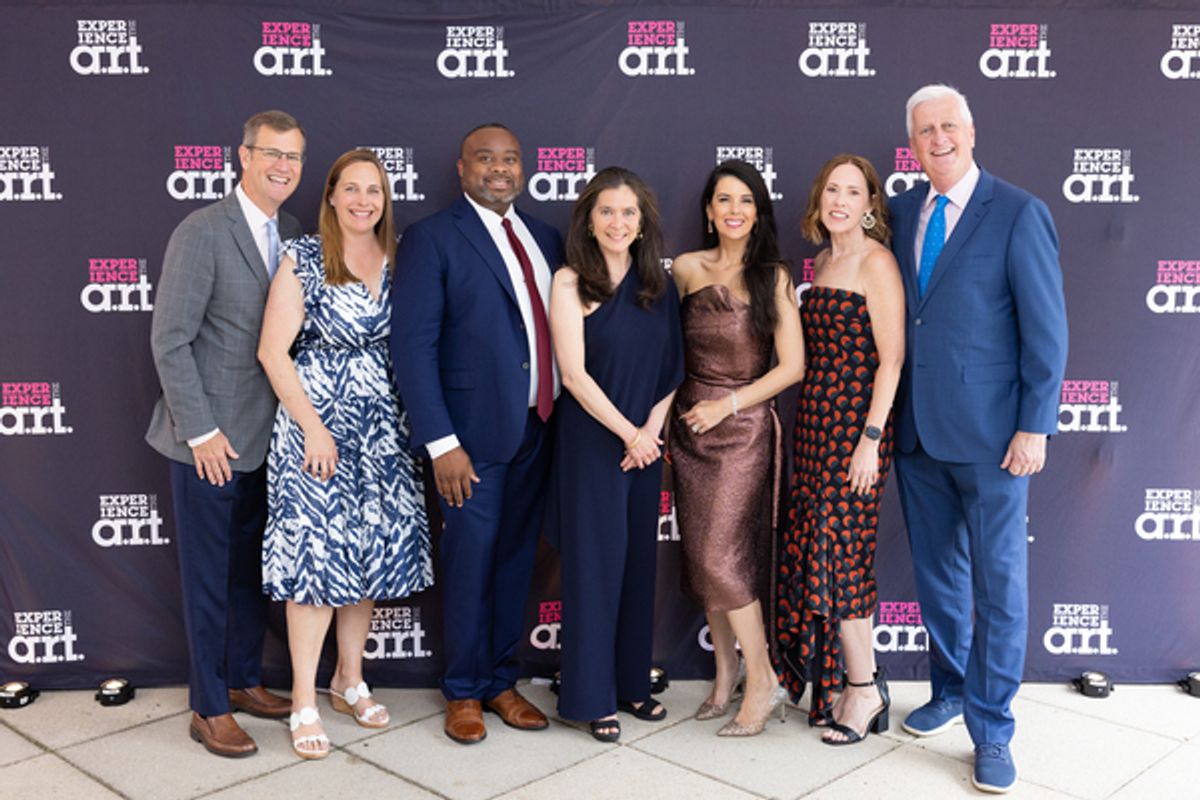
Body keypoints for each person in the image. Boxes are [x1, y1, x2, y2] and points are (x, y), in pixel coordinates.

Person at [889, 84, 1068, 793]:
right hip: (917, 433)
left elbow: (1046, 331)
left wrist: (1036, 424)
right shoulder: (901, 210)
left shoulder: (1020, 212)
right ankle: (952, 690)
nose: (938, 138)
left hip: (996, 439)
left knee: (999, 588)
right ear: (912, 142)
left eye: (948, 126)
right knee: (937, 580)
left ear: (971, 131)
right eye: (924, 130)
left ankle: (992, 730)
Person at [390, 124, 564, 745]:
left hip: (539, 428)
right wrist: (441, 442)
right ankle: (462, 689)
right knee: (469, 562)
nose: (500, 168)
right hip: (468, 440)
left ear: (524, 168)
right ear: (461, 167)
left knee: (516, 560)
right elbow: (413, 348)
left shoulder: (545, 237)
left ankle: (499, 680)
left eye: (510, 158)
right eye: (486, 158)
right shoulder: (432, 238)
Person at [257, 149, 432, 759]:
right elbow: (274, 352)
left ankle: (349, 677)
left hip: (384, 428)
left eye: (375, 191)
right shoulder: (303, 256)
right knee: (316, 559)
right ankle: (303, 697)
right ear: (330, 195)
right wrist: (313, 426)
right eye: (351, 189)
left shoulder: (402, 257)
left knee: (369, 557)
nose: (364, 201)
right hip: (317, 427)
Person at [146, 110, 304, 757]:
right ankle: (208, 706)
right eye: (272, 153)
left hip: (269, 444)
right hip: (207, 444)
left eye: (294, 157)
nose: (284, 167)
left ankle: (241, 680)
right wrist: (201, 431)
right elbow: (171, 340)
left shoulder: (293, 232)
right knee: (210, 579)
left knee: (248, 575)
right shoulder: (202, 231)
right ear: (243, 155)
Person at [548, 166, 683, 742]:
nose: (618, 222)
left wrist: (651, 429)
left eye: (629, 213)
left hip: (644, 446)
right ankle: (588, 695)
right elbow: (574, 376)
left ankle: (631, 684)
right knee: (594, 568)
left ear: (642, 221)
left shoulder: (659, 283)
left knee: (636, 567)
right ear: (588, 218)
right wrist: (629, 433)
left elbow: (674, 368)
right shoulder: (570, 281)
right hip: (593, 446)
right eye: (607, 211)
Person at [669, 160, 803, 737]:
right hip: (689, 427)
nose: (734, 210)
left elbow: (792, 367)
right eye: (724, 199)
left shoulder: (773, 276)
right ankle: (724, 676)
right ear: (708, 209)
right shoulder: (686, 269)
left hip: (743, 430)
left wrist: (728, 406)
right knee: (702, 560)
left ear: (758, 211)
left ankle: (764, 678)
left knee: (725, 559)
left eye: (745, 201)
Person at [775, 154, 905, 745]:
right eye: (832, 189)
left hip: (856, 432)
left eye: (853, 192)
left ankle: (864, 687)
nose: (840, 201)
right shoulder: (823, 262)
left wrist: (870, 440)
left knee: (844, 557)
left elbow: (893, 358)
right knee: (818, 553)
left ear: (870, 204)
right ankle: (835, 684)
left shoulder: (877, 262)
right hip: (813, 430)